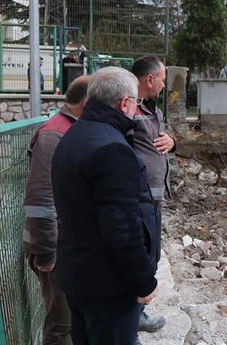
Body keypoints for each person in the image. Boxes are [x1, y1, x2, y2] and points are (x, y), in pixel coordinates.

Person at [51, 67, 159, 345]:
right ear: (125, 103)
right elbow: (122, 228)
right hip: (108, 286)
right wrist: (145, 281)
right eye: (136, 103)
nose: (137, 109)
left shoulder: (74, 136)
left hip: (79, 275)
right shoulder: (113, 149)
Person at [23, 75, 90, 345]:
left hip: (66, 246)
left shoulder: (69, 129)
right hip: (55, 250)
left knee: (72, 320)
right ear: (86, 103)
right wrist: (48, 253)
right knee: (62, 326)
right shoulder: (54, 134)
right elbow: (40, 201)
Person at [130, 55, 175, 333]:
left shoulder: (149, 110)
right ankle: (133, 315)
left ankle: (137, 312)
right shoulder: (129, 111)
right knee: (142, 256)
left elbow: (160, 138)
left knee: (152, 256)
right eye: (162, 80)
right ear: (149, 79)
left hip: (153, 199)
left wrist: (173, 140)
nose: (163, 85)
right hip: (139, 198)